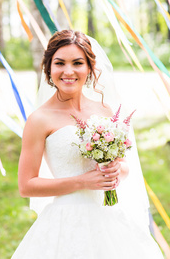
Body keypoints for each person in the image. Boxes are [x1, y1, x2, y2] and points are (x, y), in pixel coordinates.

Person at [11, 30, 164, 259]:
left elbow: (123, 166)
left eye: (77, 63)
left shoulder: (105, 111)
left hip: (110, 217)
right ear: (49, 68)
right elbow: (27, 185)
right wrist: (82, 181)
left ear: (90, 68)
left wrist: (116, 171)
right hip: (66, 219)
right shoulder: (39, 120)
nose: (69, 71)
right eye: (60, 63)